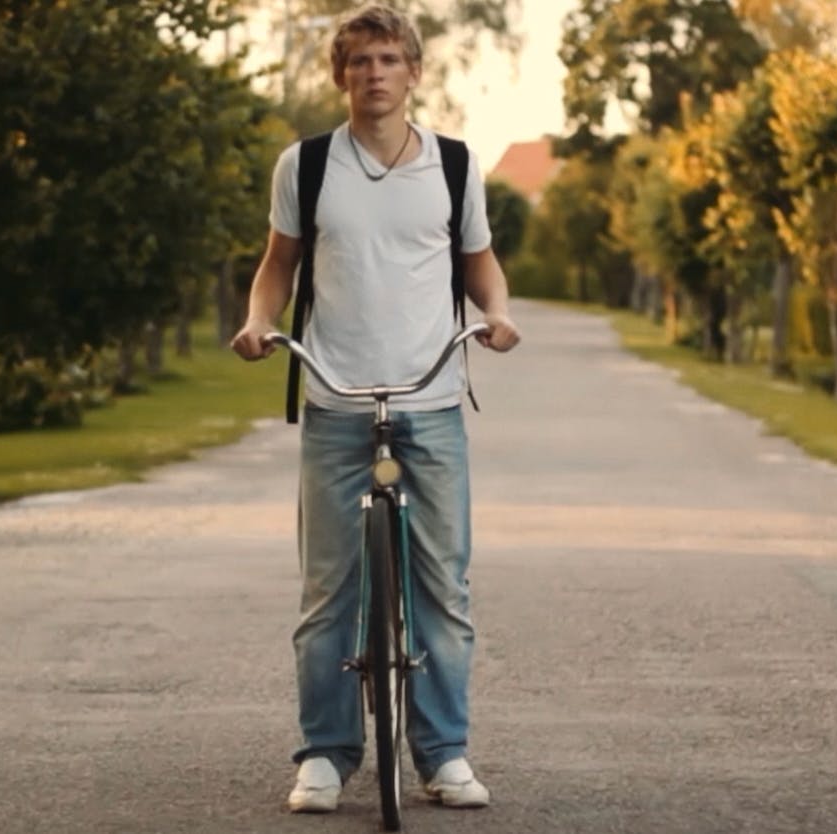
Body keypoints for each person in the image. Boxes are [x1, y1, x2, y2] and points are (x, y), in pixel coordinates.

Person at [227, 2, 522, 816]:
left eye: (390, 59)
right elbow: (277, 265)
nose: (375, 74)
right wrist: (260, 322)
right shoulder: (308, 165)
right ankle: (324, 753)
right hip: (334, 397)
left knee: (444, 591)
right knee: (327, 592)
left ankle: (443, 753)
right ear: (341, 75)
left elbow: (480, 264)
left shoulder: (456, 166)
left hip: (429, 401)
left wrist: (496, 314)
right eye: (359, 62)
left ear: (415, 71)